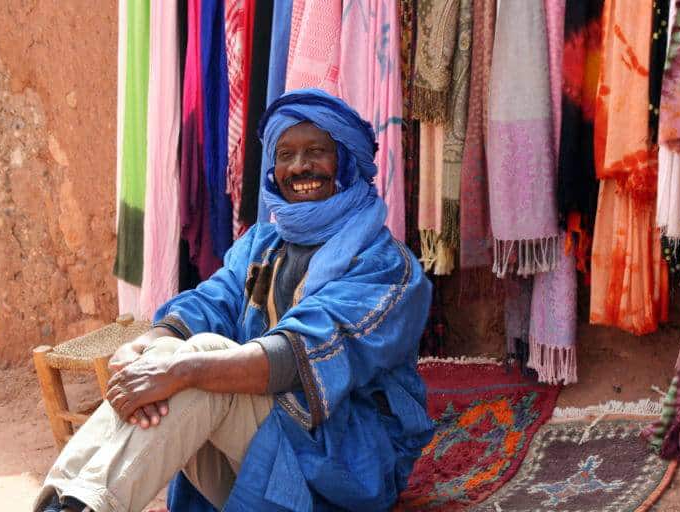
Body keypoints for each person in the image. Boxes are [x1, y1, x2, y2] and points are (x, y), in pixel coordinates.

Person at [35, 89, 433, 512]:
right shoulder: (264, 244)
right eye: (286, 154)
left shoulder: (385, 266)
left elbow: (297, 355)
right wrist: (148, 343)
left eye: (317, 152)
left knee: (198, 362)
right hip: (262, 450)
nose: (299, 167)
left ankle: (81, 505)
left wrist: (179, 368)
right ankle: (62, 502)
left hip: (343, 465)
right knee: (170, 353)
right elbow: (211, 302)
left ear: (347, 162)